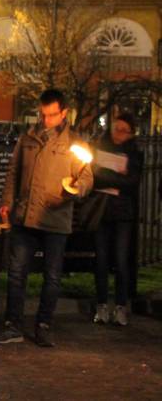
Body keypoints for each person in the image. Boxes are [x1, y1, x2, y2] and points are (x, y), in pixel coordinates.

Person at [0, 89, 94, 347]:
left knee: (52, 276)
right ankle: (13, 324)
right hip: (25, 217)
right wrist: (6, 202)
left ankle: (44, 325)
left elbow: (86, 178)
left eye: (51, 115)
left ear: (63, 113)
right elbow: (14, 172)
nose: (46, 120)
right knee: (17, 272)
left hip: (55, 219)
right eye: (43, 114)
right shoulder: (28, 139)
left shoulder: (75, 144)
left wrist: (75, 189)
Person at [90, 112, 142, 327]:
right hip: (101, 210)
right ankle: (101, 304)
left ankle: (120, 305)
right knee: (101, 260)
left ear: (131, 133)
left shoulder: (135, 153)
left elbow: (132, 183)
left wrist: (107, 175)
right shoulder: (100, 146)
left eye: (123, 131)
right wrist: (117, 176)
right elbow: (93, 175)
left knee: (121, 261)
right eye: (115, 129)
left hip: (123, 213)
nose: (118, 134)